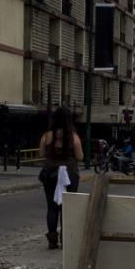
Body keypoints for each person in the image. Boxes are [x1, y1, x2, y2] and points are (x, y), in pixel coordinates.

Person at [38, 107, 83, 249]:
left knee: (52, 208)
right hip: (70, 173)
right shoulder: (73, 137)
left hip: (50, 173)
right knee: (67, 208)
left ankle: (52, 240)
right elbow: (80, 157)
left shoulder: (47, 136)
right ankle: (66, 240)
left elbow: (41, 154)